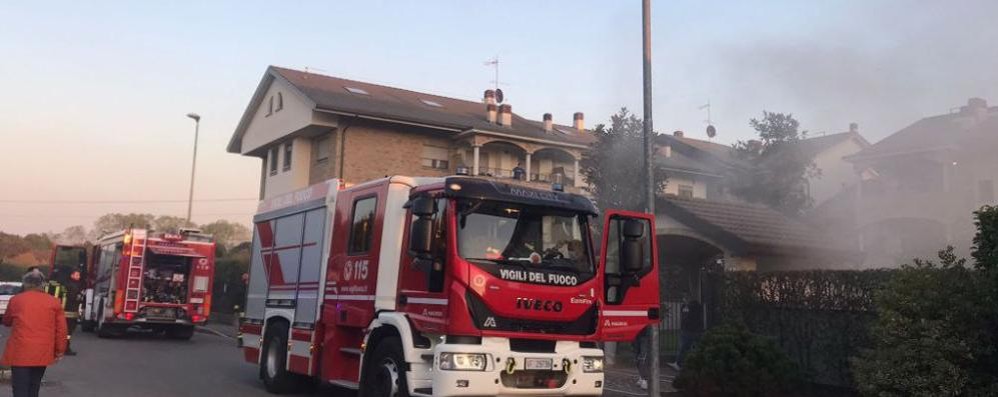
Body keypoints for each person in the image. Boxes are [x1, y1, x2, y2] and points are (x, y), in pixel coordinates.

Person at [2, 270, 68, 397]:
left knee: (20, 388)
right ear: (42, 284)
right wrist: (60, 350)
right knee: (34, 386)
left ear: (25, 284)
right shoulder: (54, 302)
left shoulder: (16, 300)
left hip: (20, 351)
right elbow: (61, 329)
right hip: (42, 352)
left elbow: (6, 321)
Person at [46, 267, 81, 356]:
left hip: (53, 311)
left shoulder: (49, 284)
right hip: (69, 313)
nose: (79, 277)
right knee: (67, 332)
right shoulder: (71, 285)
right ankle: (65, 348)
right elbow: (72, 298)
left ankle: (51, 348)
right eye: (77, 275)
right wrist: (79, 297)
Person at [671, 298, 704, 370]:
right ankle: (700, 363)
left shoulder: (688, 307)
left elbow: (684, 315)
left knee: (683, 348)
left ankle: (678, 363)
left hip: (688, 330)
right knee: (698, 347)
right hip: (697, 330)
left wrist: (684, 305)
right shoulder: (699, 307)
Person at [632, 325, 651, 390]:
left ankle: (644, 379)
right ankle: (641, 375)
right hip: (634, 332)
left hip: (644, 333)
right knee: (636, 356)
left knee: (643, 356)